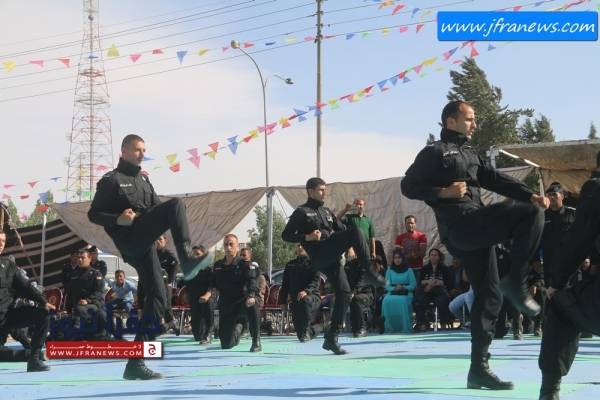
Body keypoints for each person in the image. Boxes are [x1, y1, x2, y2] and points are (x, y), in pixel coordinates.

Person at [401, 100, 549, 390]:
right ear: (451, 121)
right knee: (531, 214)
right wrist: (443, 192)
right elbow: (408, 186)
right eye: (469, 118)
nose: (474, 124)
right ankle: (516, 282)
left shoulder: (470, 152)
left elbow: (492, 178)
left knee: (489, 296)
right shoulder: (434, 152)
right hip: (459, 226)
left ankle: (478, 369)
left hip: (477, 227)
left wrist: (528, 193)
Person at [88, 134, 210, 380]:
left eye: (144, 150)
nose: (142, 154)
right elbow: (94, 214)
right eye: (137, 150)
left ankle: (135, 363)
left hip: (145, 243)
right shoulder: (111, 180)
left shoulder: (144, 180)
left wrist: (163, 223)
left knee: (158, 297)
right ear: (124, 152)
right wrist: (118, 219)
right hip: (129, 238)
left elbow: (156, 209)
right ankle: (187, 259)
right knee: (176, 205)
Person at [282, 177, 379, 355]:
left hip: (332, 256)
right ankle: (370, 272)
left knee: (345, 293)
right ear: (310, 191)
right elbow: (286, 235)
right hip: (318, 253)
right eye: (321, 190)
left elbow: (341, 229)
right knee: (356, 233)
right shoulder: (302, 212)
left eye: (325, 189)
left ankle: (331, 338)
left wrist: (350, 245)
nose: (324, 193)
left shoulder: (326, 211)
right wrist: (307, 237)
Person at [538, 152, 600, 399]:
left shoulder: (594, 189)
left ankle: (549, 392)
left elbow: (579, 239)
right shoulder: (545, 220)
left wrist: (556, 283)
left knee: (560, 308)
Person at [0, 231, 54, 372]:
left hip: (7, 316)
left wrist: (43, 301)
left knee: (43, 315)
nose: (1, 244)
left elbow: (25, 285)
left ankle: (34, 359)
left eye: (3, 241)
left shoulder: (8, 264)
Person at [199, 234, 261, 352]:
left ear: (237, 246)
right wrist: (207, 294)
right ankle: (240, 327)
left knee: (253, 305)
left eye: (231, 244)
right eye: (226, 244)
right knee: (226, 344)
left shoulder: (245, 264)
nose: (228, 247)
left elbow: (252, 282)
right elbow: (213, 284)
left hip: (243, 301)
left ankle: (256, 341)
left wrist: (251, 296)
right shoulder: (218, 266)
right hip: (227, 304)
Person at [278, 245, 322, 342]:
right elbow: (285, 284)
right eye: (298, 245)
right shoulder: (290, 265)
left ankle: (308, 330)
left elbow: (315, 281)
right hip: (296, 301)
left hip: (312, 298)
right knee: (300, 335)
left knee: (305, 300)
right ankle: (320, 327)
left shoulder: (314, 263)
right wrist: (282, 301)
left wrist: (306, 291)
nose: (300, 247)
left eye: (303, 245)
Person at [537, 182, 576, 289]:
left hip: (570, 261)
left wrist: (587, 258)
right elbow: (536, 240)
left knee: (572, 292)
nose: (551, 197)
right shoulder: (541, 217)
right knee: (551, 293)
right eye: (549, 195)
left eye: (554, 194)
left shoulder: (573, 213)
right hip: (550, 263)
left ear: (562, 196)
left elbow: (582, 236)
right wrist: (536, 259)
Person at [65, 247, 108, 340]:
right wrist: (67, 309)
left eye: (82, 258)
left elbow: (98, 292)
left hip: (93, 304)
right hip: (78, 305)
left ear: (89, 258)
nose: (80, 260)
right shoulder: (74, 274)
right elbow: (70, 293)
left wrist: (87, 301)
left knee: (99, 316)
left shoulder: (96, 274)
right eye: (78, 258)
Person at [345, 248, 386, 337]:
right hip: (353, 293)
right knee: (347, 299)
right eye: (347, 253)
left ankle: (362, 328)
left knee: (356, 299)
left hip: (367, 294)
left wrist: (352, 292)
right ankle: (353, 327)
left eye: (349, 252)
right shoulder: (347, 266)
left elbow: (361, 282)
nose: (348, 255)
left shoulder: (364, 265)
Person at [414, 248, 453, 331]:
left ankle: (443, 324)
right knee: (420, 300)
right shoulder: (425, 268)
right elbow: (420, 281)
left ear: (439, 257)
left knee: (442, 301)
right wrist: (428, 282)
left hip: (440, 291)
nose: (433, 257)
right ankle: (423, 324)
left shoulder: (444, 269)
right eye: (431, 255)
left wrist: (438, 282)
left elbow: (448, 283)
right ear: (429, 257)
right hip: (427, 291)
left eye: (435, 255)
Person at [381, 250, 416, 333]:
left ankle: (404, 327)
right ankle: (389, 327)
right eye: (395, 258)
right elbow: (387, 285)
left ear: (403, 258)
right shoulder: (389, 270)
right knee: (386, 300)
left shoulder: (409, 270)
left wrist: (404, 287)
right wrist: (394, 288)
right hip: (392, 292)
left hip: (406, 293)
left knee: (402, 301)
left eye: (399, 257)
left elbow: (413, 284)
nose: (397, 260)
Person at [187, 245, 215, 344]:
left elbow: (213, 285)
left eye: (197, 254)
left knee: (208, 303)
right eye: (193, 254)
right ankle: (203, 331)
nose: (195, 256)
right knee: (198, 336)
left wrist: (207, 295)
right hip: (195, 299)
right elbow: (187, 285)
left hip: (208, 297)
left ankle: (209, 332)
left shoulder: (210, 269)